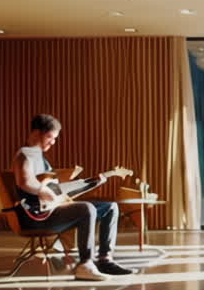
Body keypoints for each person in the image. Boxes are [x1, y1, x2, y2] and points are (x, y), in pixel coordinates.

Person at [13, 114, 131, 280]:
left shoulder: (39, 158)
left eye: (55, 138)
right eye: (49, 137)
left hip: (49, 211)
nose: (53, 142)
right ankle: (85, 264)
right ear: (35, 133)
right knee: (86, 208)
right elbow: (24, 182)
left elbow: (55, 190)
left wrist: (88, 184)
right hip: (35, 216)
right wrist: (42, 190)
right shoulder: (25, 154)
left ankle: (105, 259)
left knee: (110, 206)